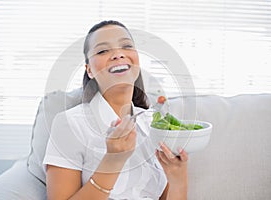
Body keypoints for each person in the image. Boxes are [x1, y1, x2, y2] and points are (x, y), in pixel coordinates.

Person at [43, 20, 188, 200]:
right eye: (103, 50)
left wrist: (178, 177)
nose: (118, 54)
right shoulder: (70, 123)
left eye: (126, 46)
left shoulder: (154, 124)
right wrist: (113, 160)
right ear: (89, 70)